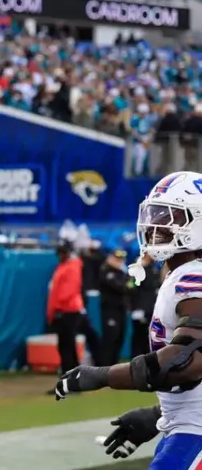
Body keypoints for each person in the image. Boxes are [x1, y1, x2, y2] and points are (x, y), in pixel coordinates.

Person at [53, 171, 202, 469]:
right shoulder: (183, 274)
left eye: (170, 216)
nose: (155, 225)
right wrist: (160, 415)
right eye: (155, 214)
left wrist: (102, 375)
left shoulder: (193, 276)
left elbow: (188, 359)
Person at [46, 241, 84, 387]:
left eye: (63, 252)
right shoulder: (63, 267)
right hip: (63, 311)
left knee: (68, 348)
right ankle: (69, 382)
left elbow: (67, 292)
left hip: (68, 312)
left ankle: (72, 383)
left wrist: (55, 308)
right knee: (65, 347)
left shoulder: (72, 267)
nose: (60, 255)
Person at [98, 248, 130, 366]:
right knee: (111, 336)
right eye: (117, 259)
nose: (119, 261)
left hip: (121, 309)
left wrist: (128, 284)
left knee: (120, 337)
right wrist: (127, 284)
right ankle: (104, 366)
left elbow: (131, 286)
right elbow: (121, 287)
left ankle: (113, 364)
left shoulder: (122, 273)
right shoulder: (106, 271)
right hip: (110, 310)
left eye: (121, 259)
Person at [130, 253, 161, 358]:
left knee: (149, 336)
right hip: (141, 309)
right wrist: (136, 308)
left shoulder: (153, 269)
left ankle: (146, 360)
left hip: (151, 308)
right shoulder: (138, 269)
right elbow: (133, 289)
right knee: (139, 336)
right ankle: (136, 360)